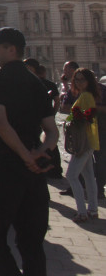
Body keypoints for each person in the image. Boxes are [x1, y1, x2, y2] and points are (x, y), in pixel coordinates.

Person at [0, 27, 58, 276]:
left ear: (11, 50)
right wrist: (39, 153)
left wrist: (24, 155)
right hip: (33, 174)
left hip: (2, 168)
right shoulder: (36, 83)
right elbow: (52, 131)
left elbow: (0, 122)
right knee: (32, 244)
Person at [65, 68, 100, 222]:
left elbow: (87, 117)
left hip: (83, 141)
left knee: (71, 175)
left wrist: (73, 119)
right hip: (88, 140)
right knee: (88, 176)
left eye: (82, 79)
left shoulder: (85, 96)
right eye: (76, 79)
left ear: (89, 81)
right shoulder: (87, 95)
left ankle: (82, 212)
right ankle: (92, 209)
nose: (79, 82)